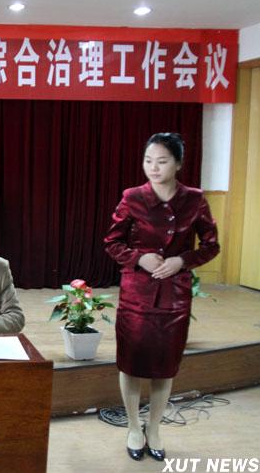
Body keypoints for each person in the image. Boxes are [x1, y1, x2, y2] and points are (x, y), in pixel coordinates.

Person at [104, 132, 219, 462]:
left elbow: (211, 245)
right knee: (131, 362)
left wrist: (182, 260)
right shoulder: (132, 197)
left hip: (174, 297)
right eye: (148, 160)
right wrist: (138, 258)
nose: (153, 168)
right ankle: (133, 427)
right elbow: (112, 242)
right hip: (137, 295)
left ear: (178, 164)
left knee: (164, 367)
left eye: (162, 161)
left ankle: (154, 428)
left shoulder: (194, 199)